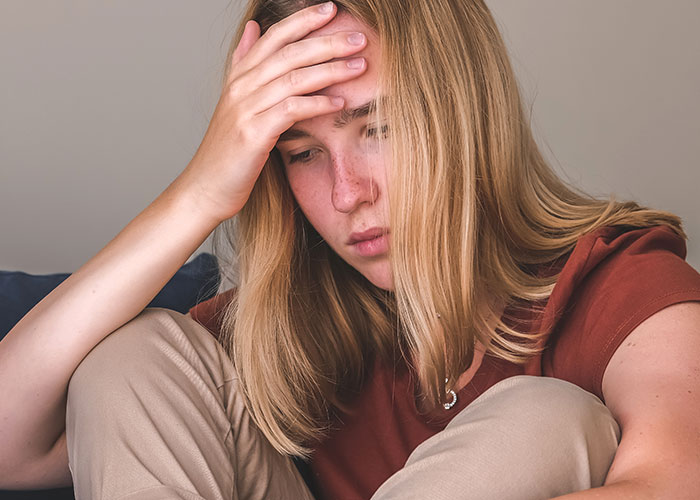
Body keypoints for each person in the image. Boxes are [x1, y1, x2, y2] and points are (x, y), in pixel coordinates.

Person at [1, 0, 700, 499]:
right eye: (301, 153)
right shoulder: (287, 328)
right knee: (135, 353)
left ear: (465, 111)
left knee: (547, 419)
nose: (346, 194)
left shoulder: (622, 283)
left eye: (380, 128)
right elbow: (11, 449)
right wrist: (200, 194)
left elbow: (675, 482)